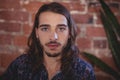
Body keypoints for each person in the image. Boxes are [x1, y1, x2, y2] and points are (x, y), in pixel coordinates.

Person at [1, 2, 96, 80]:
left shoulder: (84, 72)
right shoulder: (20, 66)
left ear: (69, 33)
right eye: (45, 29)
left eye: (61, 29)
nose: (53, 37)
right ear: (37, 33)